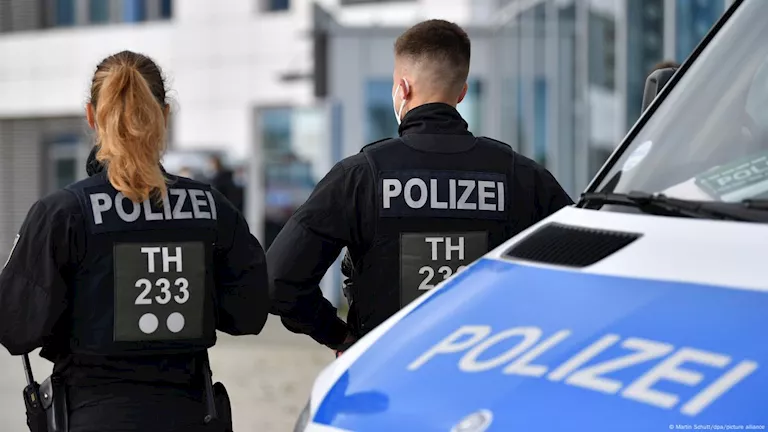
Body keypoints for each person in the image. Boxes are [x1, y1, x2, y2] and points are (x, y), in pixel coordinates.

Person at [267, 20, 573, 356]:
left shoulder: (360, 176)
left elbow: (279, 280)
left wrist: (341, 337)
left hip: (383, 367)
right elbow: (582, 268)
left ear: (402, 89)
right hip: (487, 367)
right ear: (461, 93)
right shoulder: (521, 176)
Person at [0, 50, 269, 432]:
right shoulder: (210, 208)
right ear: (165, 115)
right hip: (189, 416)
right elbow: (249, 313)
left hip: (91, 416)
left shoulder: (63, 214)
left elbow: (16, 328)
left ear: (92, 115)